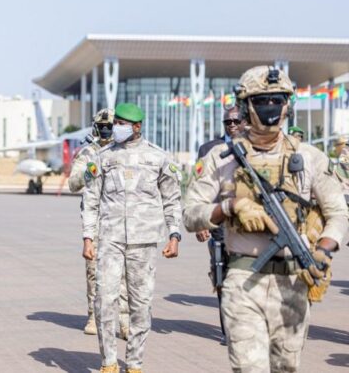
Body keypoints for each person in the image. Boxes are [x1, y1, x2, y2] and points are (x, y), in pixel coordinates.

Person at [184, 65, 348, 372]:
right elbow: (191, 214)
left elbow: (338, 213)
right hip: (244, 281)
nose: (270, 108)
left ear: (288, 105)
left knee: (286, 367)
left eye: (277, 100)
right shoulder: (222, 158)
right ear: (246, 106)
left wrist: (324, 249)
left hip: (294, 282)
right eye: (261, 101)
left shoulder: (310, 158)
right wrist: (228, 207)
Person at [82, 103, 182, 373]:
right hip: (110, 239)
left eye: (122, 123)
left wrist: (174, 235)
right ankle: (109, 362)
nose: (116, 128)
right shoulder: (103, 157)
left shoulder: (159, 158)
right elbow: (90, 201)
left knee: (141, 304)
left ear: (137, 126)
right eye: (116, 123)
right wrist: (88, 238)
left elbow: (172, 200)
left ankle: (135, 364)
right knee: (105, 299)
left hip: (144, 241)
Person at [68, 109, 129, 338]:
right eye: (102, 126)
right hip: (96, 221)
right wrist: (89, 171)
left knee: (124, 274)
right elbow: (73, 184)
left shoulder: (124, 152)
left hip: (120, 219)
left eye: (110, 126)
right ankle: (94, 317)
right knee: (94, 273)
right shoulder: (87, 153)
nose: (106, 130)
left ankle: (124, 321)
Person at [193, 106, 247, 344]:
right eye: (228, 121)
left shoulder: (257, 146)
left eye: (236, 121)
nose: (232, 125)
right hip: (219, 223)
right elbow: (199, 188)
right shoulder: (208, 150)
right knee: (222, 274)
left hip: (250, 225)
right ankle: (230, 330)